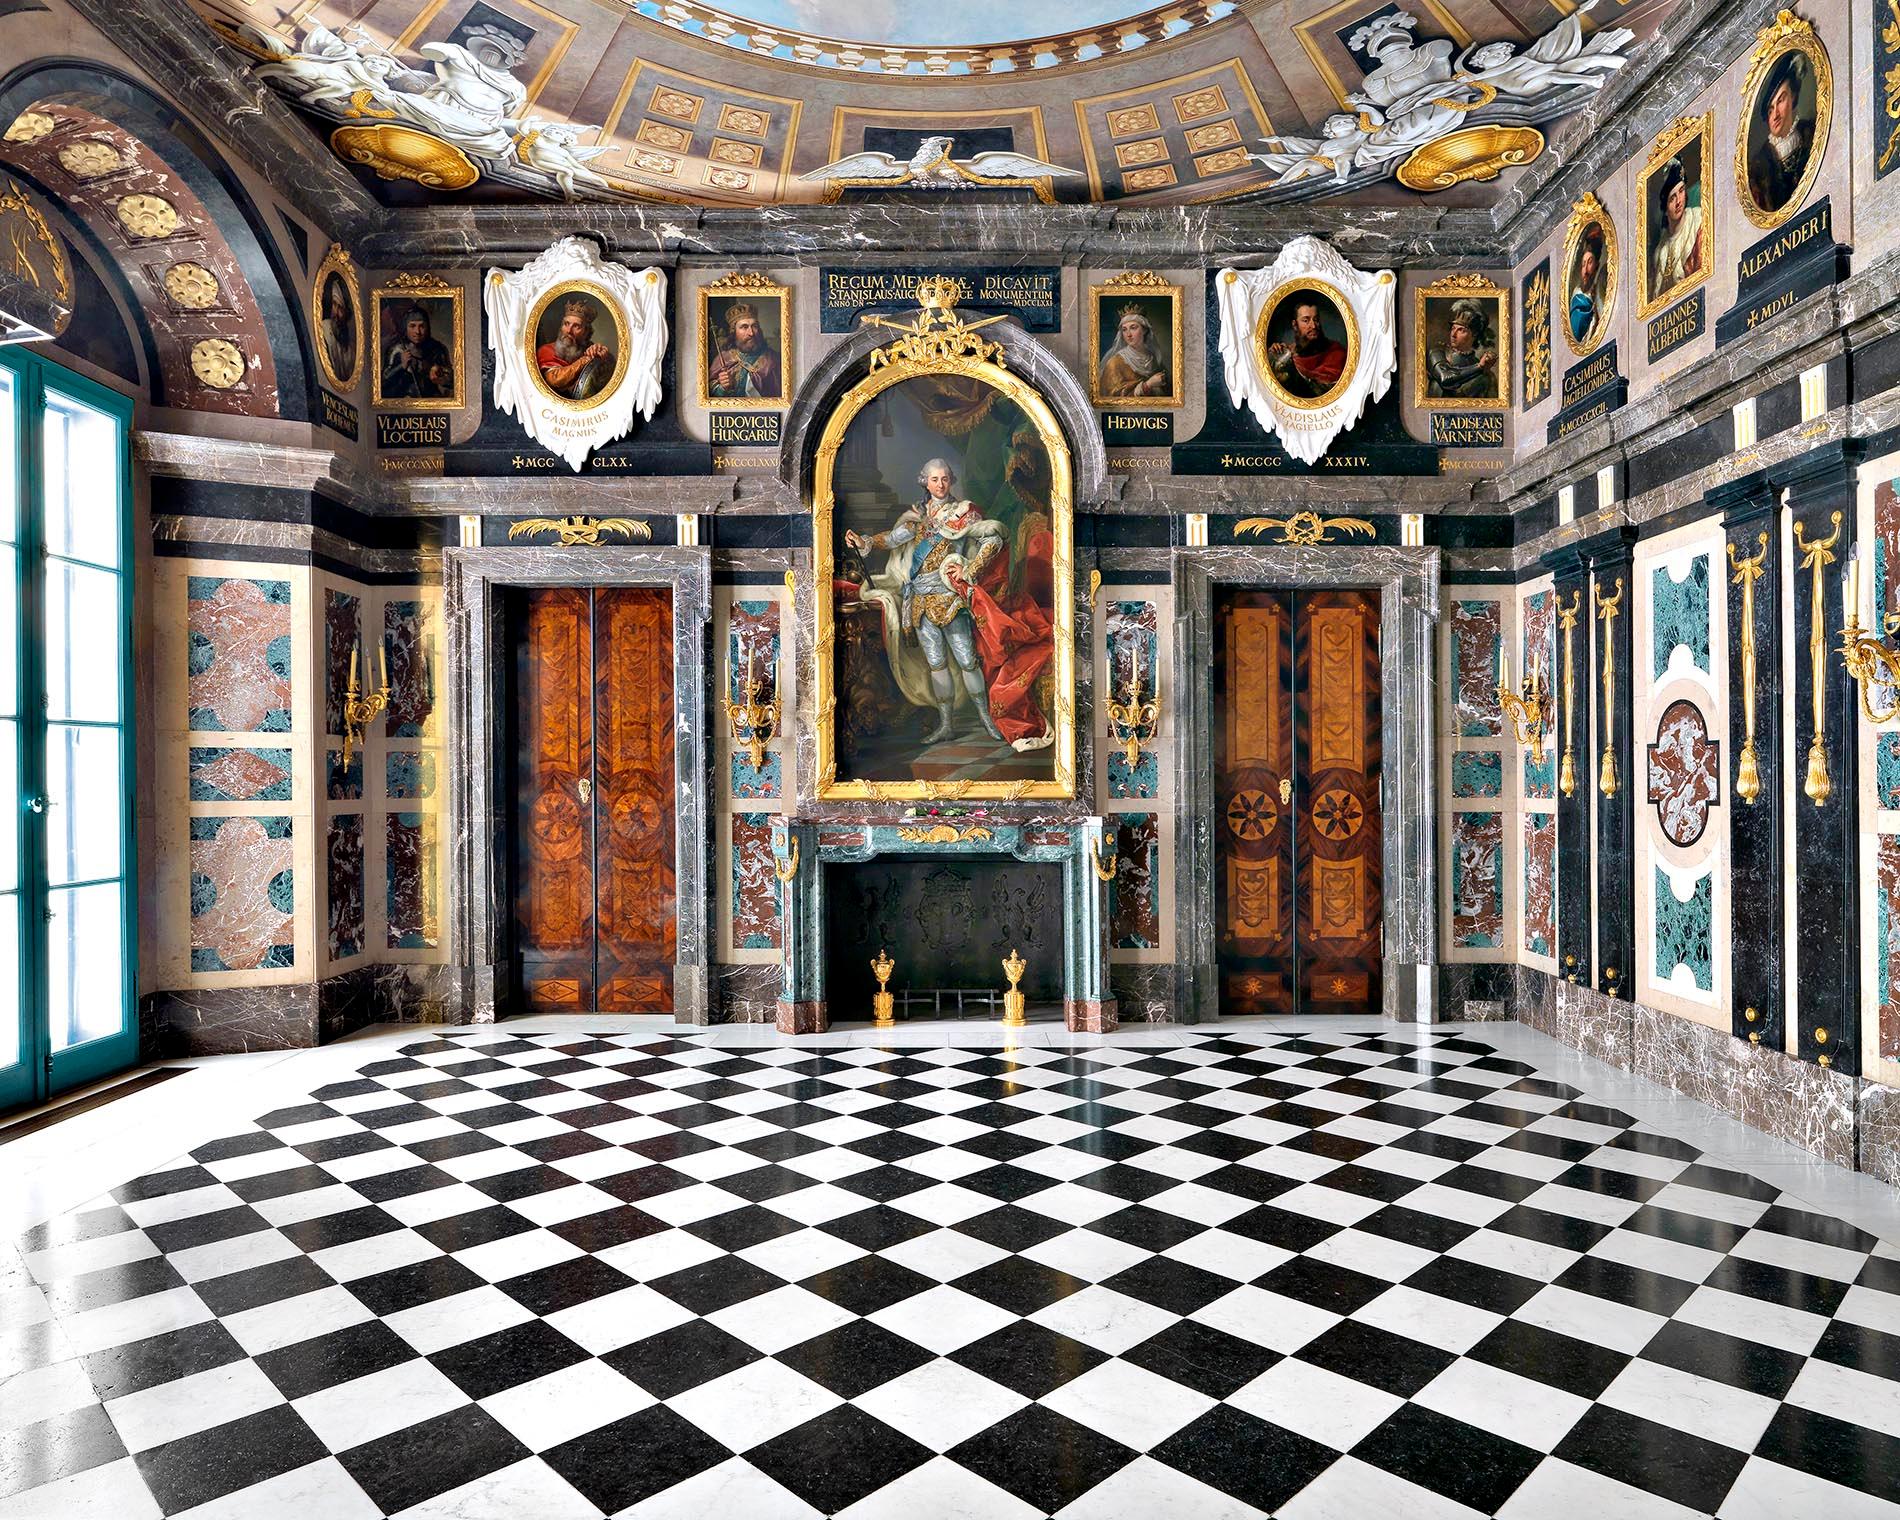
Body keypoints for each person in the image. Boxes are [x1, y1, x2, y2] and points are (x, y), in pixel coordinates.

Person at [844, 458, 1008, 744]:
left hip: (950, 599)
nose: (940, 484)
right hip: (919, 601)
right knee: (936, 664)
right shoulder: (918, 515)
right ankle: (946, 725)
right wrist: (863, 542)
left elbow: (993, 538)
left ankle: (986, 721)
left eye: (945, 479)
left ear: (951, 480)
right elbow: (891, 539)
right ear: (925, 482)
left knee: (967, 661)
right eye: (934, 479)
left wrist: (970, 569)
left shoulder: (963, 513)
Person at [1747, 51, 1813, 214]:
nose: (1775, 115)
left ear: (1793, 97)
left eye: (1781, 100)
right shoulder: (1758, 166)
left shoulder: (1811, 132)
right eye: (1770, 110)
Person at [1267, 297, 1348, 398]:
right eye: (1306, 320)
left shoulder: (1337, 354)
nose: (1313, 326)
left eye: (1316, 320)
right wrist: (1274, 358)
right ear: (1295, 325)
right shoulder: (1286, 353)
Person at [536, 296, 614, 400]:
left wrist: (603, 356)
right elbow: (555, 379)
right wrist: (587, 359)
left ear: (586, 332)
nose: (569, 331)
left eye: (576, 326)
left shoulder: (590, 348)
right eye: (566, 324)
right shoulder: (546, 350)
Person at [1648, 155, 1704, 301]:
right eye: (1672, 198)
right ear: (1665, 209)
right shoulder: (1660, 252)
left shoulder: (1698, 223)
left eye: (1681, 191)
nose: (1679, 201)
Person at [707, 300, 782, 401]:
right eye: (744, 327)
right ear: (734, 332)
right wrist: (722, 388)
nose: (751, 333)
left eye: (754, 326)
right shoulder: (723, 358)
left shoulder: (774, 359)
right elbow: (710, 392)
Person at [1425, 298, 1498, 400]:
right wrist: (1479, 367)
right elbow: (1445, 379)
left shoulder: (1485, 374)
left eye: (1461, 330)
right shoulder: (1438, 352)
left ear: (1474, 334)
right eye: (1453, 328)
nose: (1453, 334)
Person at [1097, 303, 1171, 399]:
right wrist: (1147, 385)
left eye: (1133, 328)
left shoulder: (1153, 358)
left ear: (1144, 330)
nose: (1128, 334)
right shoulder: (1114, 363)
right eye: (1124, 329)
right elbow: (1112, 399)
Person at [381, 303, 453, 399]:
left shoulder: (438, 349)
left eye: (421, 326)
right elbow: (383, 381)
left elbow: (453, 381)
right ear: (405, 328)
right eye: (412, 326)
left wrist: (441, 375)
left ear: (427, 327)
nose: (417, 331)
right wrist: (401, 366)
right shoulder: (397, 350)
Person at [1569, 230, 1606, 348]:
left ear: (1596, 265)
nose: (1585, 271)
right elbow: (1577, 329)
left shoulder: (1599, 288)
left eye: (1589, 263)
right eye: (1583, 264)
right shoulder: (1578, 296)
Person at [320, 275, 355, 384]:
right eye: (334, 304)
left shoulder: (349, 343)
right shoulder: (325, 328)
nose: (335, 312)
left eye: (340, 307)